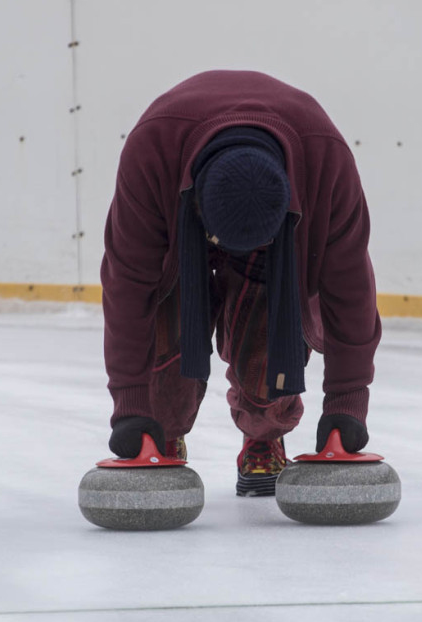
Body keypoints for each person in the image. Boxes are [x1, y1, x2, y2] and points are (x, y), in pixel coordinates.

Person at [101, 70, 381, 496]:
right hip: (178, 221)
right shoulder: (151, 152)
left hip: (276, 245)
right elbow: (127, 287)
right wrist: (131, 408)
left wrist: (348, 405)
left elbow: (351, 291)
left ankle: (264, 434)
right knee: (165, 326)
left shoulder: (328, 162)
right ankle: (163, 430)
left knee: (271, 344)